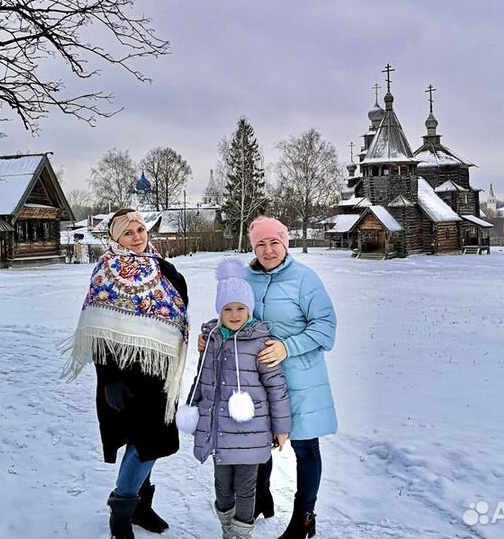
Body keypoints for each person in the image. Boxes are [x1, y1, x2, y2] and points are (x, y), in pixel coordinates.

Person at [199, 216, 338, 539]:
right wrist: (211, 335)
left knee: (304, 448)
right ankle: (261, 498)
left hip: (300, 380)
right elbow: (231, 314)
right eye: (260, 243)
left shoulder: (305, 279)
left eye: (274, 242)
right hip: (254, 382)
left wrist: (287, 348)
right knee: (257, 446)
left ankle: (304, 516)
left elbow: (326, 327)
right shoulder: (246, 278)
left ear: (285, 243)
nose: (268, 249)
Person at [61, 208, 189, 539]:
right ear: (115, 238)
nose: (137, 236)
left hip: (158, 372)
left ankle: (140, 506)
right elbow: (97, 325)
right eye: (128, 232)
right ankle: (122, 510)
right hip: (122, 372)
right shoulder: (106, 271)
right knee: (146, 443)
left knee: (153, 440)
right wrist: (111, 378)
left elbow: (178, 305)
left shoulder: (161, 266)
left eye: (140, 229)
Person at [180, 258, 292, 539]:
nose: (234, 314)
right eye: (228, 308)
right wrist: (194, 409)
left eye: (241, 308)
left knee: (246, 487)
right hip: (220, 431)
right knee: (221, 487)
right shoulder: (213, 340)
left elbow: (276, 386)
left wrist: (281, 428)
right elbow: (202, 380)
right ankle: (227, 528)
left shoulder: (260, 342)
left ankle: (240, 534)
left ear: (249, 309)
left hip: (250, 430)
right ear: (219, 311)